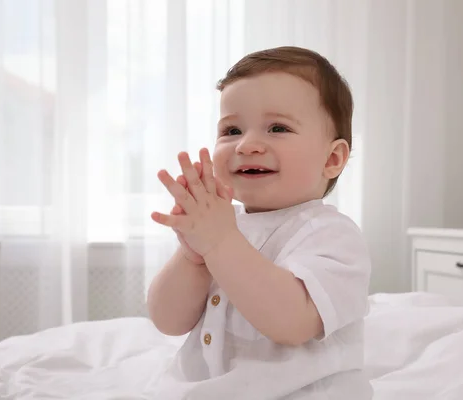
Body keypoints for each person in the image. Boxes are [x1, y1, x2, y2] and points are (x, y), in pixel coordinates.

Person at [147, 46, 372, 399]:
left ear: (332, 158)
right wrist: (192, 256)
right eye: (232, 129)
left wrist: (219, 243)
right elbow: (168, 321)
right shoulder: (221, 224)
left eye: (278, 127)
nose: (248, 144)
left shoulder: (331, 235)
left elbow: (292, 323)